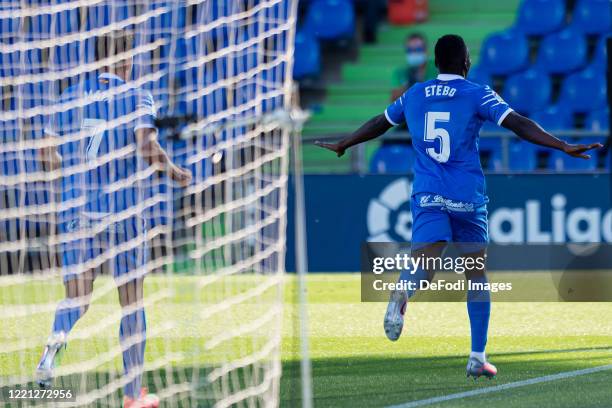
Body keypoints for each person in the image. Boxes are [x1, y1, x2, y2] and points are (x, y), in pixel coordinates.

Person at [316, 34, 602, 379]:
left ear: (436, 63)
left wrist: (346, 142)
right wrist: (561, 145)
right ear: (465, 62)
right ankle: (477, 356)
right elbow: (518, 124)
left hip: (428, 193)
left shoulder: (415, 93)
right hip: (466, 194)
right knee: (476, 272)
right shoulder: (476, 92)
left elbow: (381, 122)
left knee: (425, 262)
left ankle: (404, 287)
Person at [37, 30, 192, 407]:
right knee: (132, 301)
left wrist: (74, 176)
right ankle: (131, 393)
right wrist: (176, 174)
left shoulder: (68, 96)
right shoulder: (137, 95)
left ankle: (48, 356)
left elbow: (45, 154)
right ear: (122, 59)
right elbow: (146, 144)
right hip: (122, 209)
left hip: (77, 208)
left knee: (77, 296)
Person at [391, 33, 428, 101]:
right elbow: (393, 98)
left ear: (426, 50)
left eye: (418, 49)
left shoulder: (437, 69)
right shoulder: (400, 71)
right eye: (410, 50)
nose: (414, 53)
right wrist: (408, 85)